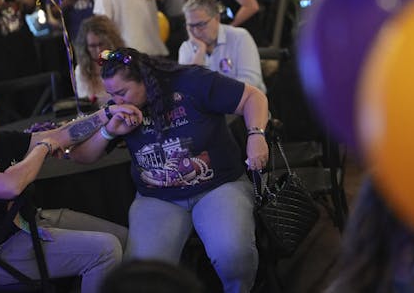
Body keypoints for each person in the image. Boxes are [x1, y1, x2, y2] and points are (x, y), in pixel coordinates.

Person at [70, 47, 270, 293]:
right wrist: (108, 130)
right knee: (140, 280)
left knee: (232, 253)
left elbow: (253, 97)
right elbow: (80, 156)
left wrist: (255, 135)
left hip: (217, 186)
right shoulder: (119, 110)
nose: (116, 102)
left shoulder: (191, 82)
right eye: (111, 94)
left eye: (122, 93)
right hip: (157, 199)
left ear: (144, 80)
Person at [0, 86, 135, 292]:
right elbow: (11, 186)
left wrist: (106, 113)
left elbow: (59, 135)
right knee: (106, 249)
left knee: (126, 239)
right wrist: (43, 148)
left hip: (29, 223)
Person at [178, 0, 265, 93]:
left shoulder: (240, 37)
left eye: (201, 24)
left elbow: (252, 82)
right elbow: (187, 90)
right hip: (209, 108)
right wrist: (200, 51)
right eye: (191, 26)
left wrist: (213, 94)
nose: (196, 31)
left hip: (246, 106)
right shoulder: (186, 48)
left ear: (217, 18)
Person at [74, 15, 125, 106]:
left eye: (101, 44)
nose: (98, 50)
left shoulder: (123, 62)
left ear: (110, 42)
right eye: (93, 46)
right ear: (85, 47)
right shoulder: (81, 71)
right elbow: (85, 104)